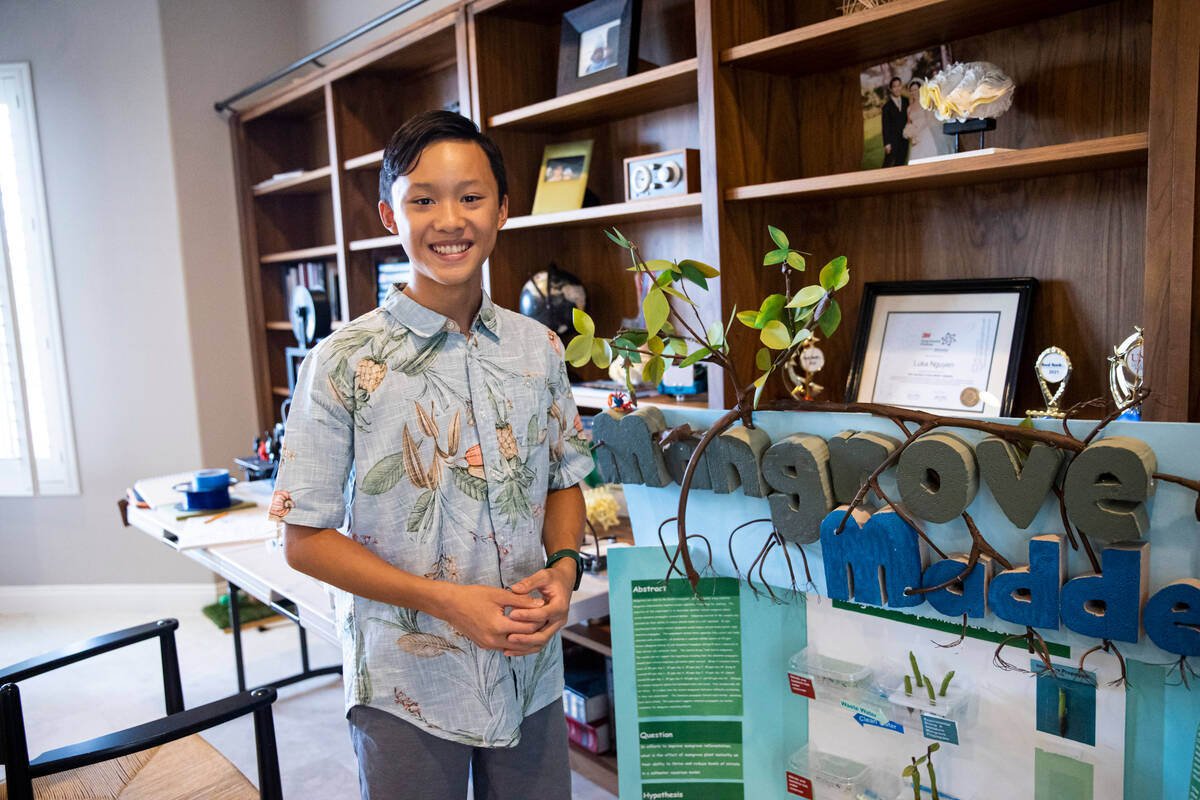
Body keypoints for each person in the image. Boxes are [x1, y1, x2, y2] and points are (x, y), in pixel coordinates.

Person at [269, 109, 593, 800]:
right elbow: (304, 540)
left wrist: (564, 568)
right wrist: (445, 603)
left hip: (528, 670)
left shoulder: (539, 349)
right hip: (407, 683)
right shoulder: (342, 360)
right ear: (391, 214)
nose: (450, 219)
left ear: (502, 210)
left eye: (471, 197)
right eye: (424, 200)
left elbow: (565, 476)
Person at [903, 78, 939, 161]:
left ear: (920, 89)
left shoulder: (925, 103)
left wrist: (917, 130)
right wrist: (909, 132)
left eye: (916, 89)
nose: (914, 92)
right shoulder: (909, 108)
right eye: (912, 90)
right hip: (916, 138)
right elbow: (909, 123)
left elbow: (929, 120)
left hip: (925, 133)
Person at [881, 76, 909, 167]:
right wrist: (887, 143)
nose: (897, 89)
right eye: (894, 86)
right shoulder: (886, 107)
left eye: (899, 86)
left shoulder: (906, 101)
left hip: (904, 139)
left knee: (901, 162)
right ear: (890, 89)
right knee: (888, 164)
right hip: (892, 141)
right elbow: (885, 126)